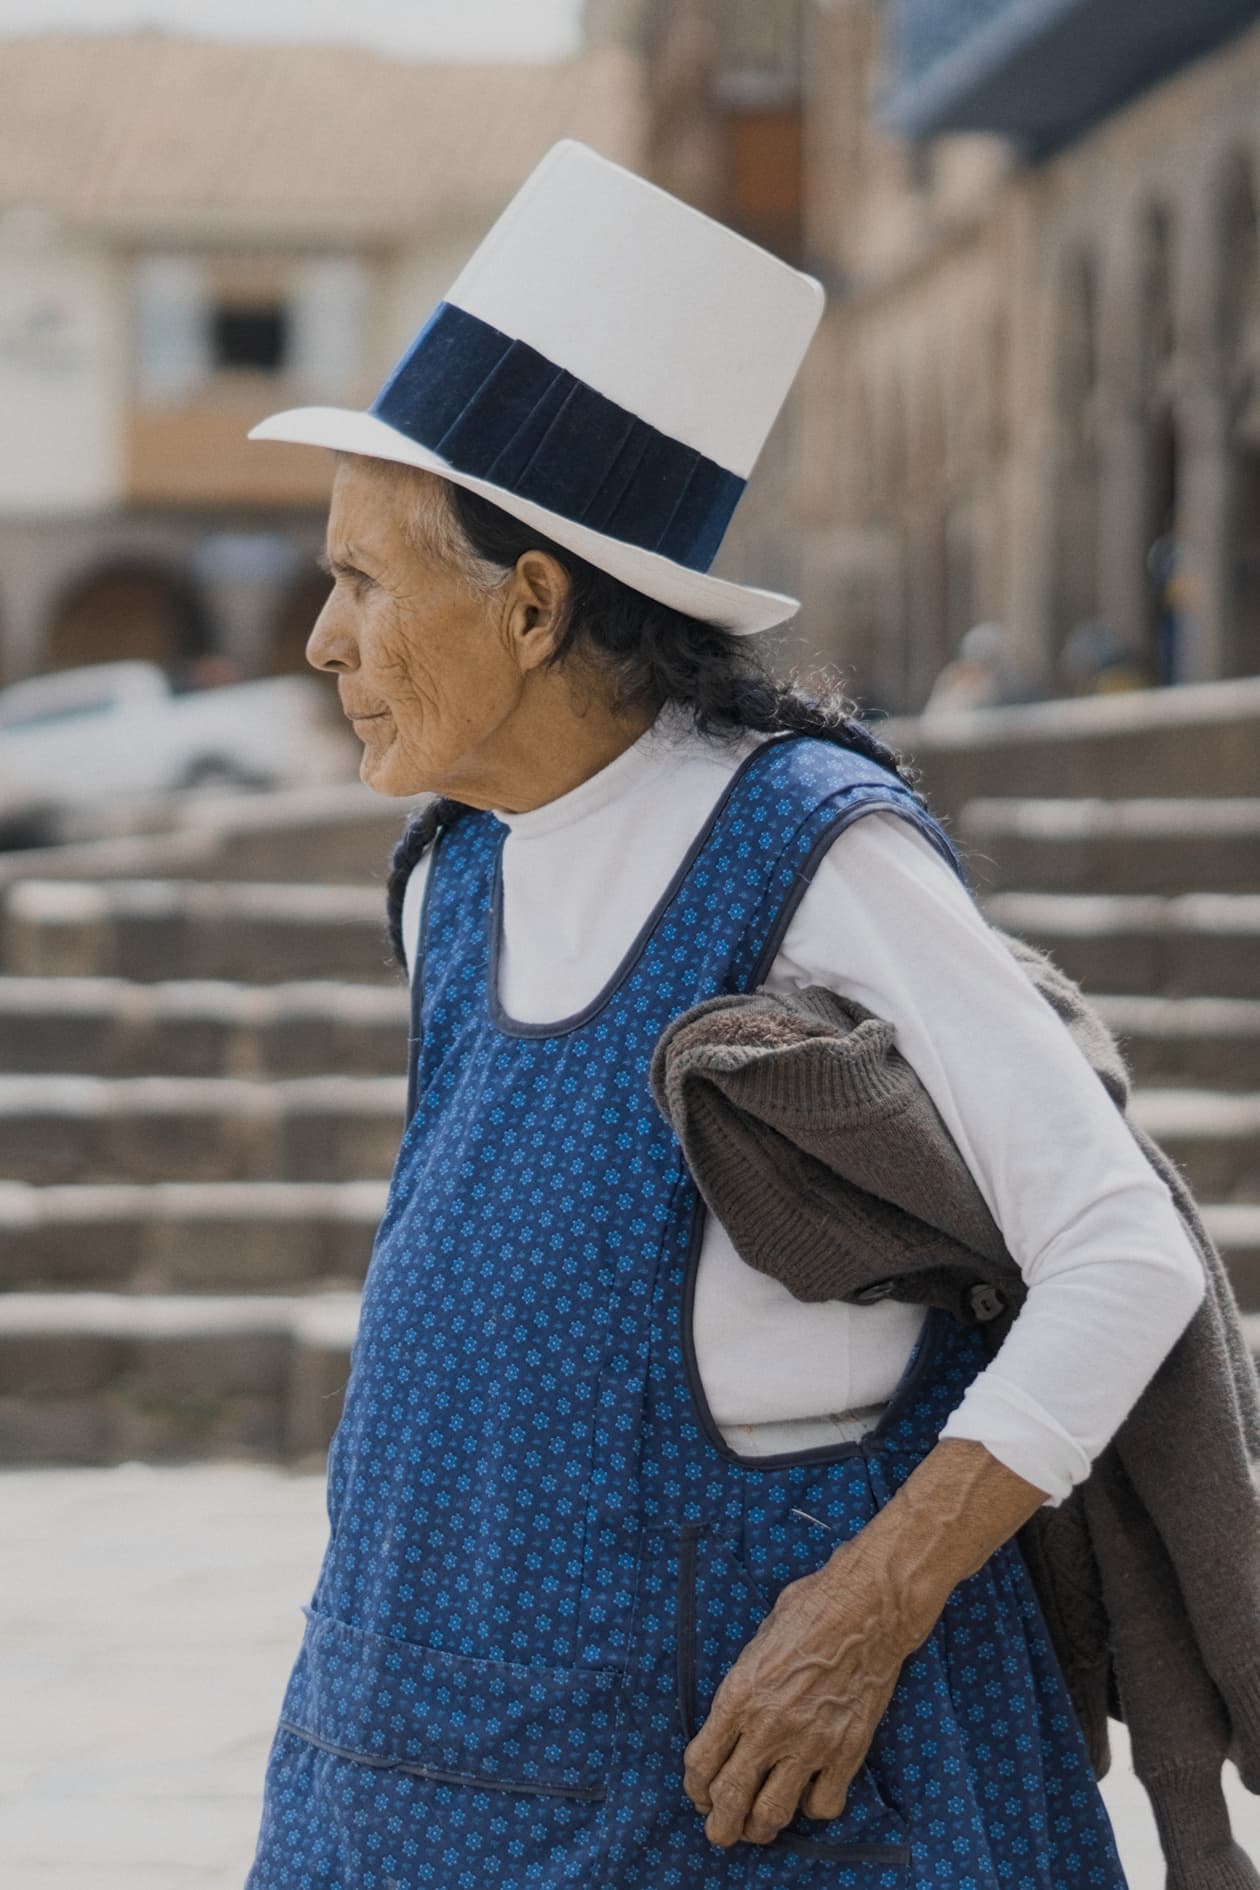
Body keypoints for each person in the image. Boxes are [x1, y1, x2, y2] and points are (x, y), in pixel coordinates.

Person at [242, 143, 1205, 1889]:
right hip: (400, 1764)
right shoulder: (450, 870)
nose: (324, 640)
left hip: (738, 1803)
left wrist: (872, 1600)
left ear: (532, 605)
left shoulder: (808, 853)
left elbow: (1124, 1250)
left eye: (366, 583)